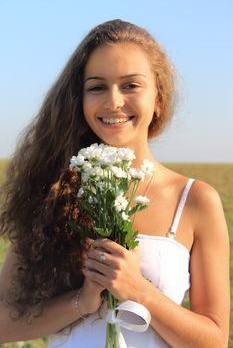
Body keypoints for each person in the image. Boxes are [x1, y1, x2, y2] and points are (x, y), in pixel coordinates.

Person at [0, 19, 230, 348]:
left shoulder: (195, 200)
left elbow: (215, 340)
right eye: (96, 87)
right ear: (79, 100)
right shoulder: (53, 191)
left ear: (159, 98)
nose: (113, 101)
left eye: (130, 85)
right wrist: (83, 300)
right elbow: (4, 323)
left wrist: (137, 290)